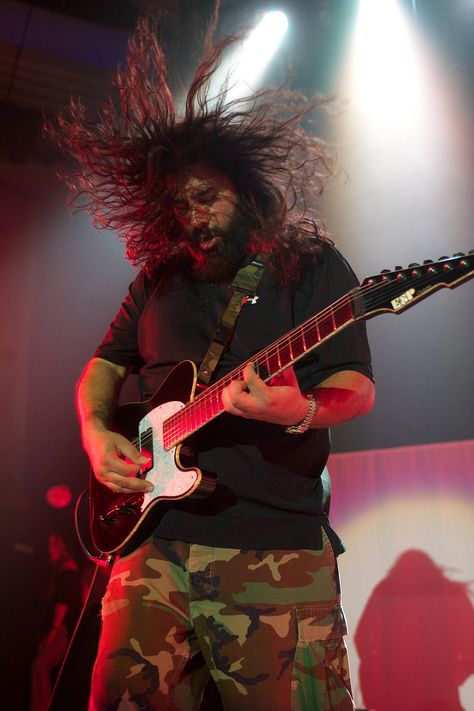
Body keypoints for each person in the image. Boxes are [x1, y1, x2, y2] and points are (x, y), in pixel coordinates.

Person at [49, 13, 375, 711]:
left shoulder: (312, 268)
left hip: (272, 552)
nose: (194, 218)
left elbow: (355, 387)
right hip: (152, 548)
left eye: (207, 198)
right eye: (179, 205)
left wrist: (303, 410)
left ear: (247, 188)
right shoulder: (160, 280)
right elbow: (101, 365)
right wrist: (96, 433)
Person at [29, 533, 82, 711]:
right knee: (40, 668)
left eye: (53, 543)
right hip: (60, 629)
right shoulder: (59, 569)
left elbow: (63, 603)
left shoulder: (68, 568)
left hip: (63, 630)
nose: (49, 547)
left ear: (61, 545)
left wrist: (52, 633)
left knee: (40, 666)